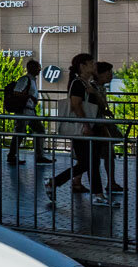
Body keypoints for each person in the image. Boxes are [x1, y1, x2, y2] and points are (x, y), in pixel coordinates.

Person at [46, 53, 100, 203]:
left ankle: (55, 182)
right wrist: (85, 124)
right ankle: (97, 194)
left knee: (89, 162)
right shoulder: (78, 84)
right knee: (89, 162)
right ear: (82, 66)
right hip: (82, 129)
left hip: (86, 127)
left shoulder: (88, 84)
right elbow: (75, 105)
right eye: (91, 63)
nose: (94, 66)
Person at [7, 59, 56, 166]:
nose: (40, 69)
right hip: (24, 111)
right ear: (32, 68)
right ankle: (12, 156)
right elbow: (16, 92)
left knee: (37, 130)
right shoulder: (25, 80)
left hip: (30, 111)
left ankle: (39, 156)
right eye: (38, 67)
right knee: (21, 132)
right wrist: (30, 97)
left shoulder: (31, 80)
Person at [89, 61, 125, 196]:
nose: (111, 75)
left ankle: (110, 182)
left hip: (99, 125)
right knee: (95, 157)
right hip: (97, 126)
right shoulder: (93, 89)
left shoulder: (100, 88)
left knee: (100, 156)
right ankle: (109, 183)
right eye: (108, 72)